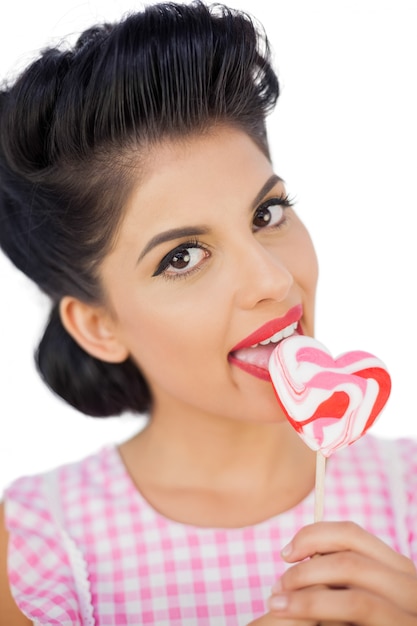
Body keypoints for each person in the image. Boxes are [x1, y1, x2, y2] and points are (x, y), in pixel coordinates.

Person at [0, 1, 416, 624]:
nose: (273, 280)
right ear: (98, 324)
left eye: (266, 214)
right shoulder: (34, 544)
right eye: (183, 256)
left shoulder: (407, 494)